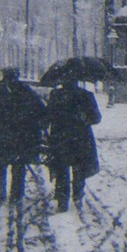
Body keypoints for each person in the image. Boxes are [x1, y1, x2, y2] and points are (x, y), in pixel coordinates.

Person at [0, 67, 46, 203]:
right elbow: (40, 111)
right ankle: (16, 195)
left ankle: (0, 192)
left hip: (0, 137)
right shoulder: (26, 91)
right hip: (20, 137)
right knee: (18, 166)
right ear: (17, 76)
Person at [44, 77, 102, 212]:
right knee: (79, 169)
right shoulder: (86, 95)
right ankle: (78, 196)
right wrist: (84, 118)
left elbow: (47, 116)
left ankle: (62, 201)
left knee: (61, 169)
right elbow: (96, 118)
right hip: (80, 139)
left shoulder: (56, 95)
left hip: (60, 138)